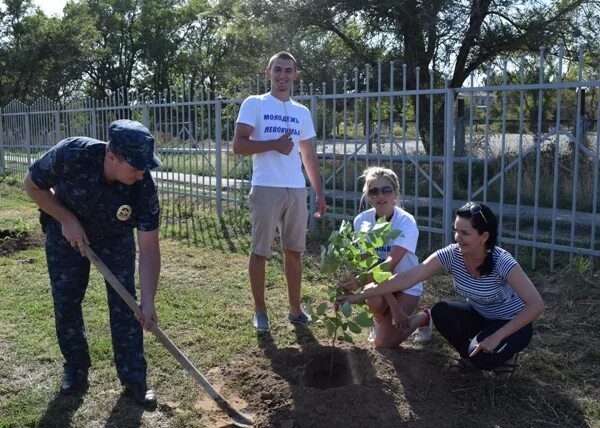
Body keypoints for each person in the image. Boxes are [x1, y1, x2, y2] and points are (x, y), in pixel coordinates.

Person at [24, 119, 162, 406]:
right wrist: (67, 219)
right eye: (135, 166)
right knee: (67, 301)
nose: (141, 174)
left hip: (114, 237)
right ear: (111, 157)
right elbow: (33, 186)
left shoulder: (143, 186)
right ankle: (76, 368)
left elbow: (149, 246)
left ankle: (134, 379)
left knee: (126, 305)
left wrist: (148, 300)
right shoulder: (72, 153)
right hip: (66, 233)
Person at [337, 202, 544, 377]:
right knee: (441, 312)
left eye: (465, 233)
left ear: (484, 236)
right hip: (480, 317)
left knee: (484, 360)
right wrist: (361, 295)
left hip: (513, 323)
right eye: (456, 230)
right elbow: (408, 277)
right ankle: (468, 357)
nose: (457, 238)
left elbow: (536, 306)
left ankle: (503, 353)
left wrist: (498, 336)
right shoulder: (452, 254)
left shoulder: (502, 261)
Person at [233, 51, 327, 332]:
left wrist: (319, 193)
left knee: (294, 251)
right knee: (260, 251)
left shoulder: (302, 111)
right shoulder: (255, 104)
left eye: (288, 71)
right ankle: (260, 311)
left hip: (296, 190)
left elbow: (308, 155)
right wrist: (273, 144)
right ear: (268, 72)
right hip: (266, 188)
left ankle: (295, 310)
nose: (283, 76)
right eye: (278, 70)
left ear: (295, 75)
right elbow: (238, 145)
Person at [338, 166, 432, 347]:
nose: (380, 196)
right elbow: (370, 265)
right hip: (380, 282)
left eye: (386, 190)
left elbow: (390, 264)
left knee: (383, 344)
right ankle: (380, 321)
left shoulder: (406, 222)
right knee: (373, 296)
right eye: (374, 191)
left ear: (395, 193)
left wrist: (358, 282)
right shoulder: (362, 221)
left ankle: (425, 317)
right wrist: (393, 307)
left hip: (406, 284)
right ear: (367, 195)